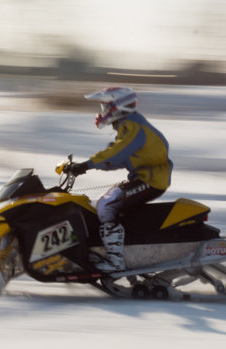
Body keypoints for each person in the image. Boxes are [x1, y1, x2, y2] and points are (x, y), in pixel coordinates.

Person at [62, 86, 172, 272]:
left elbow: (116, 152)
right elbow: (117, 160)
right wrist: (87, 167)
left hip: (150, 180)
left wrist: (87, 165)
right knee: (104, 202)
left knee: (107, 204)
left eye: (105, 107)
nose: (102, 112)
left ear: (117, 107)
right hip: (146, 178)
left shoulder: (133, 127)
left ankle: (115, 261)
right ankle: (119, 249)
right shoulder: (129, 126)